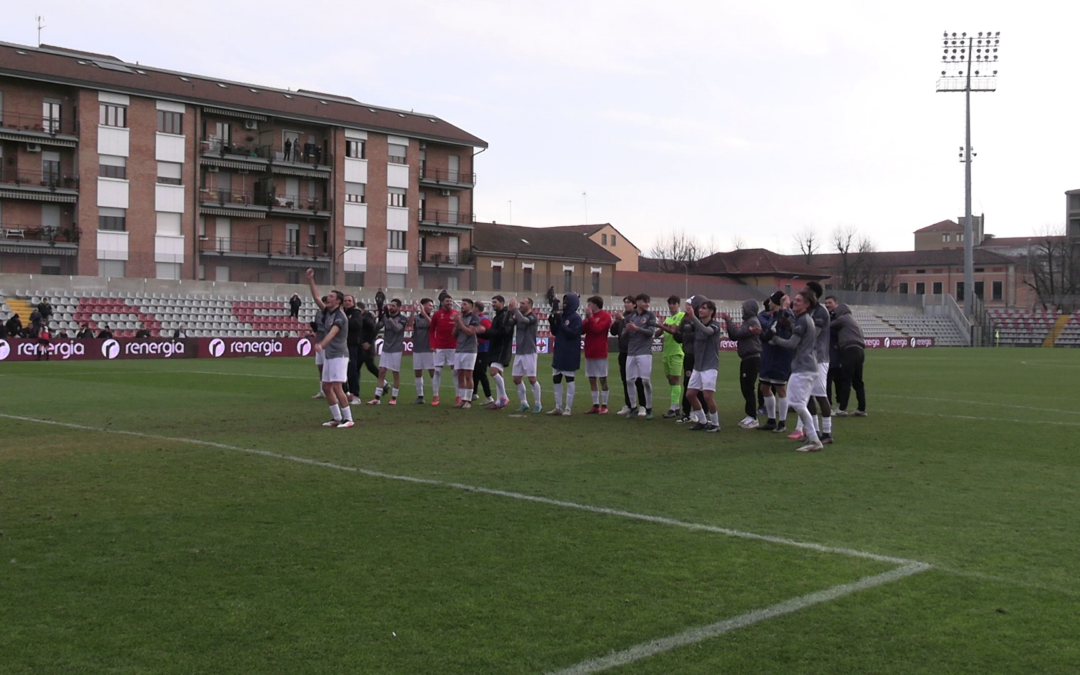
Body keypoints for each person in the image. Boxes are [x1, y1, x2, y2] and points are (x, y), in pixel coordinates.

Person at [767, 288, 823, 452]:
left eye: (798, 300)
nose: (794, 302)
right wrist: (790, 325)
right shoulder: (803, 320)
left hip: (803, 367)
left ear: (806, 304)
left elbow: (792, 344)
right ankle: (811, 436)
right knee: (801, 403)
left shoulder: (804, 320)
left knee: (797, 404)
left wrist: (775, 339)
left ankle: (814, 439)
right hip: (808, 366)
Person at [305, 268, 354, 428]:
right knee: (326, 386)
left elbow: (333, 333)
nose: (328, 298)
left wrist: (321, 345)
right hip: (330, 355)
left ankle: (349, 419)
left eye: (332, 296)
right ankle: (337, 417)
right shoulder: (328, 312)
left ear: (338, 301)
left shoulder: (340, 317)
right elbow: (316, 297)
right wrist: (311, 280)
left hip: (339, 355)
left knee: (337, 386)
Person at [792, 281, 833, 445]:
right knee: (807, 397)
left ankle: (827, 432)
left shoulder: (821, 312)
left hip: (819, 358)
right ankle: (813, 431)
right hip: (807, 360)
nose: (803, 292)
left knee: (821, 395)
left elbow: (812, 334)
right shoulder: (807, 311)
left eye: (806, 290)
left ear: (813, 294)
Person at [722, 300, 763, 429]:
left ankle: (752, 417)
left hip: (751, 358)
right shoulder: (748, 322)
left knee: (748, 387)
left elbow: (737, 334)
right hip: (748, 358)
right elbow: (734, 337)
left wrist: (729, 321)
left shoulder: (752, 322)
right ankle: (750, 415)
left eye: (744, 308)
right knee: (745, 387)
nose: (742, 310)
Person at [757, 292, 793, 434]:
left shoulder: (785, 315)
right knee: (764, 387)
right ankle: (771, 420)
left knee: (780, 388)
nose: (769, 303)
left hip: (781, 356)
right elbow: (768, 334)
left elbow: (784, 333)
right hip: (768, 355)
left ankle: (782, 422)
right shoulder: (772, 316)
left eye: (771, 300)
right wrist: (761, 334)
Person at [683, 299, 722, 432]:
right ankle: (703, 421)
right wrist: (686, 318)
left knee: (707, 396)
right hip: (698, 366)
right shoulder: (696, 325)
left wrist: (693, 317)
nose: (700, 310)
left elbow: (707, 331)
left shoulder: (715, 326)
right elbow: (684, 329)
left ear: (711, 312)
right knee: (690, 394)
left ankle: (716, 424)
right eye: (700, 308)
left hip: (710, 366)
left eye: (704, 308)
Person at [827, 298, 868, 417]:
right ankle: (862, 408)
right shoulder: (854, 321)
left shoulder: (843, 318)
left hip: (850, 350)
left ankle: (842, 408)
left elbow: (829, 326)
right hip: (860, 351)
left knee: (846, 379)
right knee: (858, 381)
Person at [622, 293, 658, 420]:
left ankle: (648, 408)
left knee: (645, 380)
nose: (647, 304)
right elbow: (623, 335)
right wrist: (627, 330)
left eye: (648, 302)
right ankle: (633, 407)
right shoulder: (630, 317)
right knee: (629, 380)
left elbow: (650, 333)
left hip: (644, 353)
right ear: (638, 303)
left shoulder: (650, 316)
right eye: (645, 301)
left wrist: (637, 329)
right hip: (631, 352)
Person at [546, 293, 583, 416]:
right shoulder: (561, 315)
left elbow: (572, 333)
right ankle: (558, 407)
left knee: (569, 379)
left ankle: (568, 407)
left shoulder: (576, 319)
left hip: (570, 352)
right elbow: (556, 332)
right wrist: (553, 323)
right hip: (559, 350)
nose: (564, 303)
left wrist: (560, 323)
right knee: (556, 378)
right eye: (564, 300)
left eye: (567, 301)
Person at [610, 296, 647, 416]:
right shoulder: (623, 316)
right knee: (626, 379)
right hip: (623, 351)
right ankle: (629, 404)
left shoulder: (636, 317)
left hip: (635, 351)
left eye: (628, 302)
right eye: (625, 302)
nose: (626, 305)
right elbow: (613, 332)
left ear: (634, 304)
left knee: (638, 380)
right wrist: (616, 322)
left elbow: (635, 329)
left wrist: (623, 319)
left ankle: (643, 405)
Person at [368, 299, 407, 405]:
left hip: (396, 350)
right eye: (390, 305)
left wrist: (388, 318)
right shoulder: (386, 317)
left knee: (395, 373)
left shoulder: (403, 319)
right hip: (386, 349)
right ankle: (377, 397)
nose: (391, 307)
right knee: (381, 372)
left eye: (393, 306)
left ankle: (394, 397)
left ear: (399, 308)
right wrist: (380, 316)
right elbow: (377, 327)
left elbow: (397, 329)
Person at [508, 296, 542, 413]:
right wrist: (509, 311)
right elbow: (509, 322)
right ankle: (524, 403)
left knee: (532, 379)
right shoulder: (518, 316)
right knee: (516, 378)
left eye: (523, 303)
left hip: (529, 352)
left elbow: (523, 321)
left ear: (529, 305)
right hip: (519, 352)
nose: (520, 305)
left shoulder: (532, 317)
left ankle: (538, 404)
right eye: (520, 303)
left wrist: (515, 310)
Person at [581, 295, 613, 414]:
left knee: (603, 378)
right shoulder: (590, 317)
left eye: (589, 304)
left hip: (600, 352)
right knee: (592, 378)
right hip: (590, 351)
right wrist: (587, 319)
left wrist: (590, 318)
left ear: (595, 305)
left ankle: (604, 405)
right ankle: (595, 405)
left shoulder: (606, 316)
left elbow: (597, 329)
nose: (588, 307)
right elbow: (582, 330)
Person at [656, 295, 685, 418]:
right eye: (670, 303)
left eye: (674, 303)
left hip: (676, 352)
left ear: (678, 305)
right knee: (670, 379)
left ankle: (673, 407)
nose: (672, 306)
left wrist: (662, 326)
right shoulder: (668, 319)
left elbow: (674, 331)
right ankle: (676, 406)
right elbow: (658, 334)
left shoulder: (681, 316)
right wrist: (661, 327)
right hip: (667, 353)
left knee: (675, 379)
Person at [452, 298, 484, 408]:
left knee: (468, 375)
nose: (462, 306)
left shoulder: (474, 318)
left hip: (470, 350)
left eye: (465, 304)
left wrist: (459, 322)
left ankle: (468, 400)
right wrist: (457, 324)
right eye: (462, 304)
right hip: (459, 349)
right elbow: (454, 335)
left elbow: (470, 332)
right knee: (460, 374)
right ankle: (462, 399)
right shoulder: (460, 318)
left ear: (470, 307)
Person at [428, 293, 459, 406]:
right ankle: (435, 396)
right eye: (447, 301)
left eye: (451, 301)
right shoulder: (437, 315)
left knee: (455, 372)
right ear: (442, 303)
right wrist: (433, 344)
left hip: (453, 347)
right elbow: (431, 331)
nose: (450, 303)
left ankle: (458, 396)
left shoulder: (456, 314)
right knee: (437, 371)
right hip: (440, 347)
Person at [484, 295, 514, 409]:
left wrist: (488, 331)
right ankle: (498, 401)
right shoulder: (498, 316)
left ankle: (504, 397)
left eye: (495, 302)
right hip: (496, 347)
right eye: (492, 302)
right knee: (499, 373)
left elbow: (504, 332)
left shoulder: (506, 315)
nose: (493, 304)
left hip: (502, 348)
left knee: (493, 371)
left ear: (502, 303)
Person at [410, 298, 435, 404]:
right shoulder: (416, 318)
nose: (431, 307)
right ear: (423, 305)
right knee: (418, 372)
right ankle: (420, 396)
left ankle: (435, 395)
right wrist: (413, 311)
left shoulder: (433, 317)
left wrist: (424, 313)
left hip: (429, 349)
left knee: (432, 372)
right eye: (429, 305)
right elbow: (410, 324)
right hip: (417, 348)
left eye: (432, 306)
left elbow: (432, 325)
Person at [471, 301, 494, 405]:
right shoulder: (476, 319)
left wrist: (479, 340)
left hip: (483, 349)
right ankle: (474, 393)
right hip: (477, 349)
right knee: (475, 372)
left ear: (476, 308)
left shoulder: (484, 320)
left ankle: (489, 396)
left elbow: (489, 334)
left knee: (481, 372)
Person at [343, 295, 364, 405]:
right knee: (341, 370)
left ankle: (355, 394)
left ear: (353, 302)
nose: (347, 303)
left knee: (352, 370)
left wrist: (343, 322)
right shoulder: (342, 313)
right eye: (345, 301)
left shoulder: (356, 313)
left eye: (349, 301)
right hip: (342, 345)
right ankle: (345, 392)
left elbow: (356, 325)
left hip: (352, 345)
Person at [309, 298, 328, 399]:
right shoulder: (318, 314)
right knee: (320, 367)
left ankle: (331, 390)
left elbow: (329, 329)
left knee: (328, 368)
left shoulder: (330, 315)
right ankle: (322, 390)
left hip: (327, 344)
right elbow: (317, 327)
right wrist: (314, 329)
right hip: (319, 342)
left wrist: (319, 329)